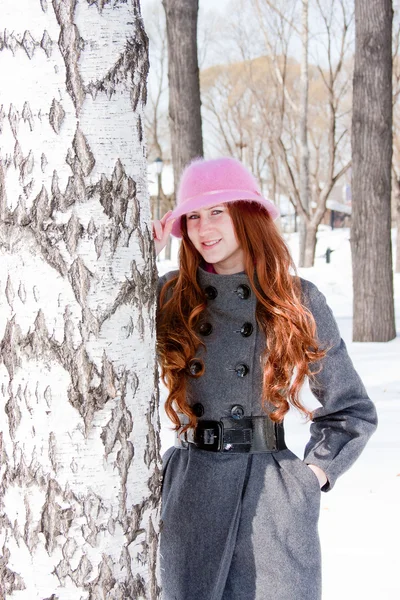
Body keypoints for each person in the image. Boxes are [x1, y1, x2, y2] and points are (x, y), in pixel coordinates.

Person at [153, 157, 377, 600]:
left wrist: (310, 477)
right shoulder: (169, 295)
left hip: (273, 499)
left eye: (217, 211)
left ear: (248, 214)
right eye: (193, 216)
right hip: (193, 495)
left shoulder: (296, 299)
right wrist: (134, 253)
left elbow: (350, 409)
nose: (203, 227)